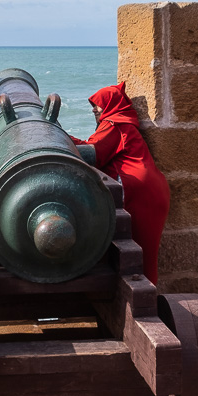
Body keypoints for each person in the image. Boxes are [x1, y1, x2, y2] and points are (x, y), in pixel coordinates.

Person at [72, 82, 170, 285]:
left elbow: (94, 153)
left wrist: (63, 136)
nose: (93, 109)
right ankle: (146, 292)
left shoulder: (115, 125)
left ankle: (145, 297)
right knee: (143, 250)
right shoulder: (122, 124)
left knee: (138, 250)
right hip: (151, 189)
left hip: (139, 191)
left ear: (109, 105)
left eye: (97, 105)